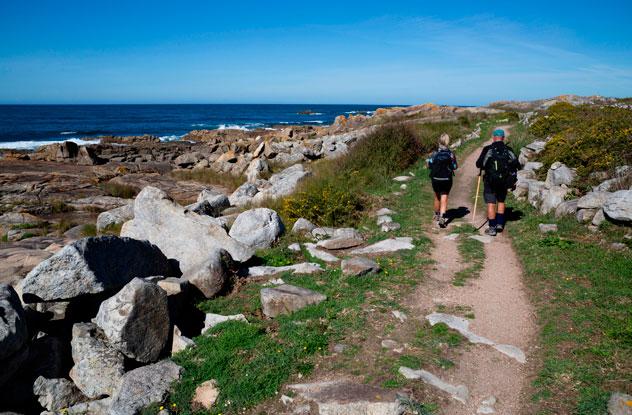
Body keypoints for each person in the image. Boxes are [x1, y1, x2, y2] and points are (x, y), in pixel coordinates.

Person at [475, 128, 520, 236]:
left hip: (490, 180)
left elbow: (479, 164)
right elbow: (517, 164)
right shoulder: (508, 149)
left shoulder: (487, 149)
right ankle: (500, 224)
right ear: (503, 138)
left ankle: (492, 228)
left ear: (494, 137)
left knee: (491, 203)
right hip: (503, 181)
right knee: (500, 201)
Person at [427, 133, 458, 228]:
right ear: (448, 142)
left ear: (439, 141)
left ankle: (436, 214)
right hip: (446, 179)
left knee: (437, 196)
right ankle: (443, 217)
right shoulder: (451, 154)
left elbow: (429, 166)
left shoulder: (434, 153)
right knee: (444, 197)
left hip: (435, 178)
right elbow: (455, 166)